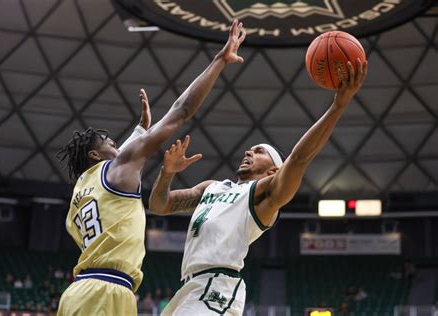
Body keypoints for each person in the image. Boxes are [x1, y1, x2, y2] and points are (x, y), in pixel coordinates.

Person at [55, 20, 246, 316]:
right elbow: (180, 112)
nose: (116, 144)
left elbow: (117, 176)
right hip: (108, 291)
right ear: (95, 154)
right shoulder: (117, 167)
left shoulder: (81, 189)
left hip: (78, 292)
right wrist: (219, 60)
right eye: (109, 142)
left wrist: (141, 129)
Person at [149, 60, 368, 315]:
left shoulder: (263, 199)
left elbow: (299, 159)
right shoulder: (212, 187)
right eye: (250, 149)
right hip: (188, 288)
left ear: (274, 170)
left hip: (216, 287)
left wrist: (338, 105)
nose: (249, 151)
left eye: (259, 151)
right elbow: (159, 205)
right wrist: (167, 174)